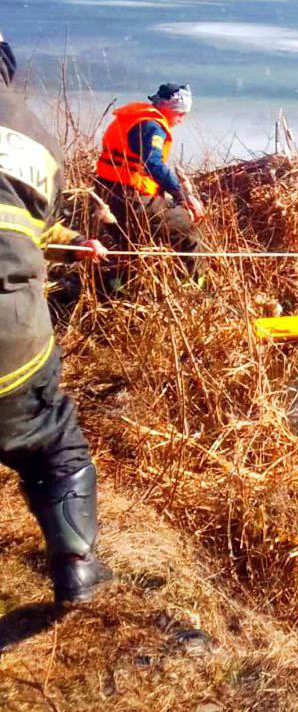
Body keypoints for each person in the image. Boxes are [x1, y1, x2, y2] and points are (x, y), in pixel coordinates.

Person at [0, 32, 112, 604]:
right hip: (11, 336)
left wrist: (72, 243)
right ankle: (76, 567)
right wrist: (72, 240)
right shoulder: (33, 134)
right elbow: (26, 223)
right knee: (50, 443)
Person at [94, 83, 205, 266]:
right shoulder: (152, 127)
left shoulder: (134, 118)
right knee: (187, 228)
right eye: (180, 114)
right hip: (130, 197)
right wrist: (184, 196)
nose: (182, 119)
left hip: (106, 192)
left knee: (132, 247)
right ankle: (197, 279)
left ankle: (122, 280)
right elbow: (153, 164)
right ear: (167, 108)